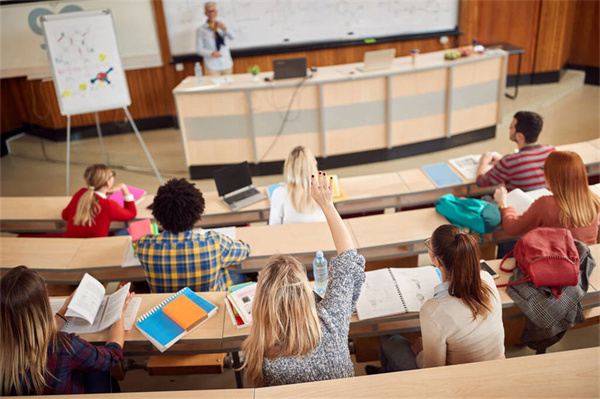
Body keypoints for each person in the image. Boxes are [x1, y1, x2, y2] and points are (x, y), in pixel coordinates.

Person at [242, 171, 365, 387]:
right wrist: (327, 205)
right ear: (305, 294)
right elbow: (348, 258)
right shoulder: (331, 323)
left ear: (263, 303)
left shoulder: (262, 353)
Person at [373, 224, 504, 373]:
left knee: (389, 341)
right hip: (497, 369)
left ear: (438, 262)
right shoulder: (487, 278)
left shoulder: (433, 311)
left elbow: (432, 370)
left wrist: (420, 352)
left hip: (459, 383)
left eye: (429, 244)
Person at [0, 266, 134, 395]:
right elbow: (112, 357)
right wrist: (118, 314)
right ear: (42, 307)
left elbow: (33, 332)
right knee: (98, 371)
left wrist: (64, 311)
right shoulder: (66, 347)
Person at [137, 178, 250, 293]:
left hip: (166, 307)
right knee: (238, 275)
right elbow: (245, 251)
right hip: (211, 305)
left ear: (157, 213)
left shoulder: (143, 246)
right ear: (197, 212)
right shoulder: (214, 243)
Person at [494, 151, 600, 245]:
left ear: (552, 176)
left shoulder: (545, 204)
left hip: (557, 262)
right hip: (587, 262)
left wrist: (503, 205)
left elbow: (512, 228)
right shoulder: (595, 201)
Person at [476, 111, 554, 191]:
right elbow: (528, 164)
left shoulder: (509, 162)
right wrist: (501, 162)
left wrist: (483, 162)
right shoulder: (551, 151)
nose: (509, 128)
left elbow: (481, 182)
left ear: (519, 136)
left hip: (517, 203)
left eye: (512, 127)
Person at [62, 164, 137, 238]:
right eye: (112, 175)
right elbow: (132, 213)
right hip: (99, 248)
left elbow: (64, 215)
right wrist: (124, 188)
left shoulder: (80, 193)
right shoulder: (108, 205)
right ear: (107, 183)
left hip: (72, 246)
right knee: (132, 227)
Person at [269, 146, 326, 225]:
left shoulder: (279, 193)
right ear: (313, 165)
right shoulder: (323, 191)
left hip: (290, 236)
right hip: (321, 236)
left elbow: (273, 226)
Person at [197, 2, 234, 76]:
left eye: (213, 10)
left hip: (226, 63)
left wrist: (225, 29)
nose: (212, 13)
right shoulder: (201, 30)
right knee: (214, 86)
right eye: (209, 11)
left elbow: (232, 37)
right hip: (212, 65)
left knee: (228, 86)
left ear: (217, 12)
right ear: (205, 13)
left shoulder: (222, 25)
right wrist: (211, 53)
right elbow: (199, 50)